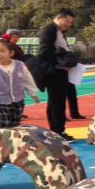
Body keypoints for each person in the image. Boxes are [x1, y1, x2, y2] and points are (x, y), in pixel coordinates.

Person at [38, 9, 76, 141]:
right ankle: (57, 132)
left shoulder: (59, 31)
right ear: (59, 17)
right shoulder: (49, 30)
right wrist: (61, 62)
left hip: (60, 71)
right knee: (56, 102)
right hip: (54, 72)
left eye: (70, 23)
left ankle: (57, 130)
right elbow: (44, 51)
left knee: (58, 101)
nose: (68, 25)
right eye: (67, 21)